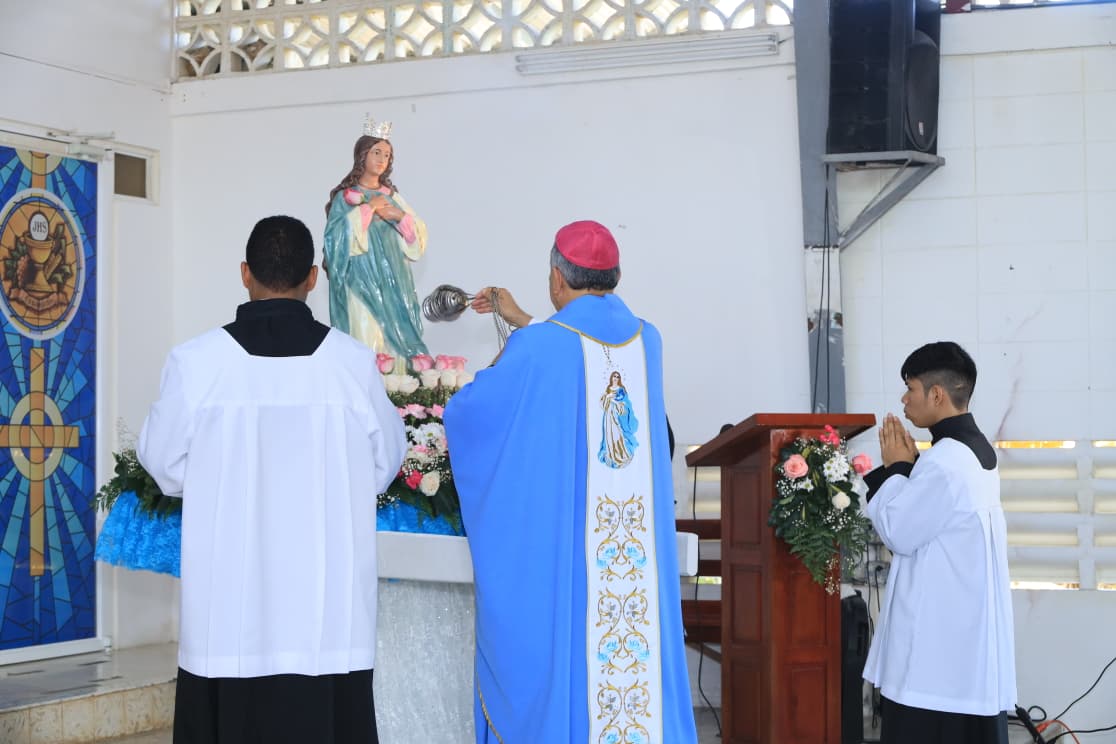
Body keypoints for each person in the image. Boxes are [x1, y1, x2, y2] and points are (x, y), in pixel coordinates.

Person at [138, 215, 406, 744]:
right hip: (326, 621)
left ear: (244, 274)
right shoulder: (350, 365)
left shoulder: (198, 363)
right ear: (313, 277)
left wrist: (221, 477)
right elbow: (386, 462)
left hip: (228, 614)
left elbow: (163, 464)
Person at [443, 220, 697, 743]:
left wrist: (504, 351)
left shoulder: (536, 348)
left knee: (563, 648)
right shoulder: (647, 341)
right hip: (632, 556)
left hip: (563, 553)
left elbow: (471, 415)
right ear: (615, 276)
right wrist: (524, 324)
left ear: (558, 278)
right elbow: (580, 352)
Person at [862, 341, 1016, 744]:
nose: (903, 398)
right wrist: (909, 468)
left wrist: (896, 468)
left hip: (936, 649)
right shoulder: (973, 450)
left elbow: (899, 531)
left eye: (910, 388)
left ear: (936, 394)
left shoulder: (946, 459)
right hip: (960, 638)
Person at [323, 128, 429, 359]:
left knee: (396, 343)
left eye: (387, 155)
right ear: (362, 155)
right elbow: (334, 239)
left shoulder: (393, 197)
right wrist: (369, 208)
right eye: (377, 152)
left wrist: (399, 217)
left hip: (393, 280)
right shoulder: (345, 197)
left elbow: (418, 239)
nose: (382, 160)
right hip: (360, 281)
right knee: (366, 335)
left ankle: (399, 389)